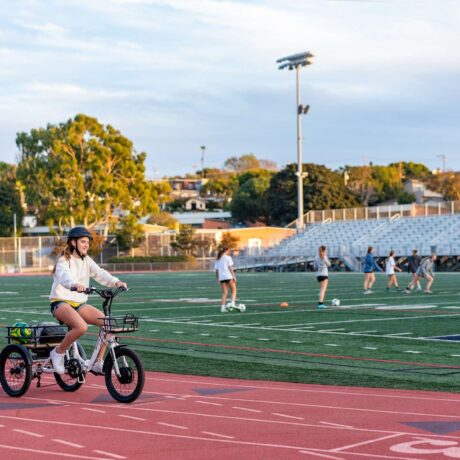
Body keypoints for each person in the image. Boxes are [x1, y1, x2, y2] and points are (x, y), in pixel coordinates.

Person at [49, 227, 127, 374]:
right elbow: (65, 277)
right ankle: (58, 353)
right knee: (81, 327)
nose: (86, 245)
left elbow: (100, 273)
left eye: (87, 242)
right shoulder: (63, 261)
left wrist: (116, 282)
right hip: (60, 302)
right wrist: (73, 285)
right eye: (83, 242)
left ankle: (98, 361)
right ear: (73, 242)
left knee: (108, 323)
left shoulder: (87, 260)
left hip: (79, 304)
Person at [215, 247, 237, 313]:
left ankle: (222, 308)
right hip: (228, 276)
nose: (229, 252)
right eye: (229, 251)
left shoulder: (218, 259)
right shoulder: (228, 258)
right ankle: (232, 304)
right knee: (234, 290)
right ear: (226, 251)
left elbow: (217, 270)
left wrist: (217, 278)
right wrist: (234, 276)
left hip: (222, 278)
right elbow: (230, 268)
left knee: (224, 293)